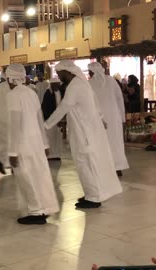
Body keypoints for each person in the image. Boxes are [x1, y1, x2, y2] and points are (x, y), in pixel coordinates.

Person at [44, 60, 122, 208]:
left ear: (67, 73)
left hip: (84, 132)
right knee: (84, 163)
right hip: (86, 129)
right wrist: (100, 118)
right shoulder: (81, 84)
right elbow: (95, 103)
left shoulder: (75, 86)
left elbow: (64, 107)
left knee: (85, 162)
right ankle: (91, 193)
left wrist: (46, 125)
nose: (58, 76)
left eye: (59, 74)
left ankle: (93, 197)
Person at [5, 64, 60, 225]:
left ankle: (36, 211)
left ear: (10, 79)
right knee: (39, 176)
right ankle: (44, 208)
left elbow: (15, 124)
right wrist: (44, 143)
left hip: (23, 143)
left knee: (26, 177)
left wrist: (13, 152)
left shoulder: (13, 95)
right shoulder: (31, 92)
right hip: (36, 141)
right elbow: (39, 118)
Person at [88, 62, 129, 176]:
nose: (89, 74)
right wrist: (123, 119)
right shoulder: (111, 80)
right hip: (114, 117)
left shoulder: (89, 83)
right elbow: (120, 99)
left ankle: (104, 167)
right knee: (115, 142)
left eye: (90, 72)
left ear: (92, 72)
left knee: (101, 142)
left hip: (98, 119)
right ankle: (117, 167)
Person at [41, 78, 63, 161]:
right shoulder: (48, 93)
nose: (58, 86)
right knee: (50, 137)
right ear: (52, 85)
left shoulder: (58, 92)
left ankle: (56, 154)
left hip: (57, 119)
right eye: (56, 84)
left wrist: (59, 119)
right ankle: (50, 155)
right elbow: (46, 109)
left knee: (57, 137)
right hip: (49, 120)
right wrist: (53, 120)